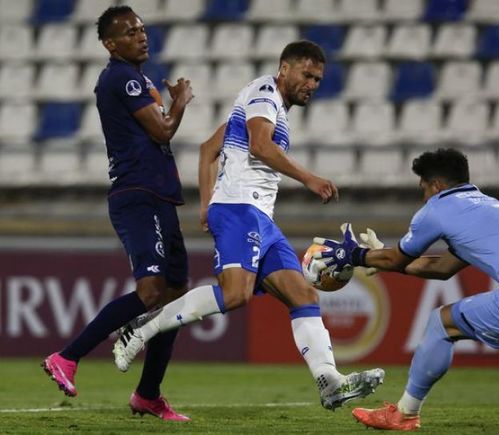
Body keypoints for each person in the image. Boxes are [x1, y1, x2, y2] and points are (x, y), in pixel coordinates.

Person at [113, 40, 385, 410]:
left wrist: (207, 203)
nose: (312, 84)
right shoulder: (264, 92)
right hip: (241, 208)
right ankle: (141, 328)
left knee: (304, 296)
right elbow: (259, 145)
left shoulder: (269, 108)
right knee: (235, 294)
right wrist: (308, 178)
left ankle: (329, 381)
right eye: (307, 75)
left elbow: (209, 148)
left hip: (259, 217)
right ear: (284, 68)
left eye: (318, 79)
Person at [313, 148, 499, 431]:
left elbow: (399, 258)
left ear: (436, 185)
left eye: (423, 189)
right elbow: (442, 268)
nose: (424, 197)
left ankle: (404, 415)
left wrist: (355, 256)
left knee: (441, 322)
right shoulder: (491, 207)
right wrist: (383, 257)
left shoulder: (437, 208)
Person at [42, 6, 194, 421]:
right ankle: (66, 357)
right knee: (150, 293)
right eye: (130, 32)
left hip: (160, 195)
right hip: (137, 194)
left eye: (142, 29)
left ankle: (148, 394)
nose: (141, 36)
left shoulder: (138, 78)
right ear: (111, 44)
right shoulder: (120, 77)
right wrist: (180, 103)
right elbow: (162, 130)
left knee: (176, 298)